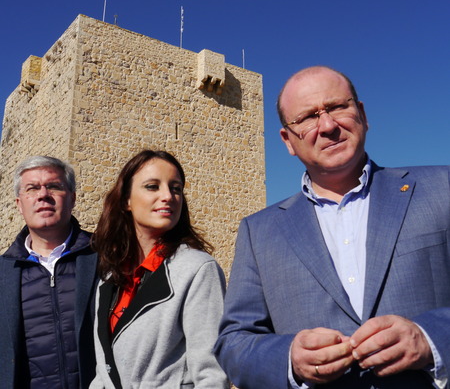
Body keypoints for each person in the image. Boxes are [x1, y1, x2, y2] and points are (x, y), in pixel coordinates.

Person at [214, 66, 450, 389]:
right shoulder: (260, 233)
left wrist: (431, 339)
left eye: (338, 107)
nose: (328, 126)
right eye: (308, 117)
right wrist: (289, 359)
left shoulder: (442, 189)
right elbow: (233, 343)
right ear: (288, 140)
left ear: (362, 114)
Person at [89, 149, 229, 389]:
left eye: (176, 188)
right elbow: (103, 371)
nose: (168, 196)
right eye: (152, 186)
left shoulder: (196, 269)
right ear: (126, 201)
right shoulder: (109, 280)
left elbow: (212, 375)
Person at [0, 156, 98, 388]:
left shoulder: (106, 257)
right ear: (19, 203)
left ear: (73, 198)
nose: (43, 194)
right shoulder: (3, 273)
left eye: (54, 186)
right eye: (32, 188)